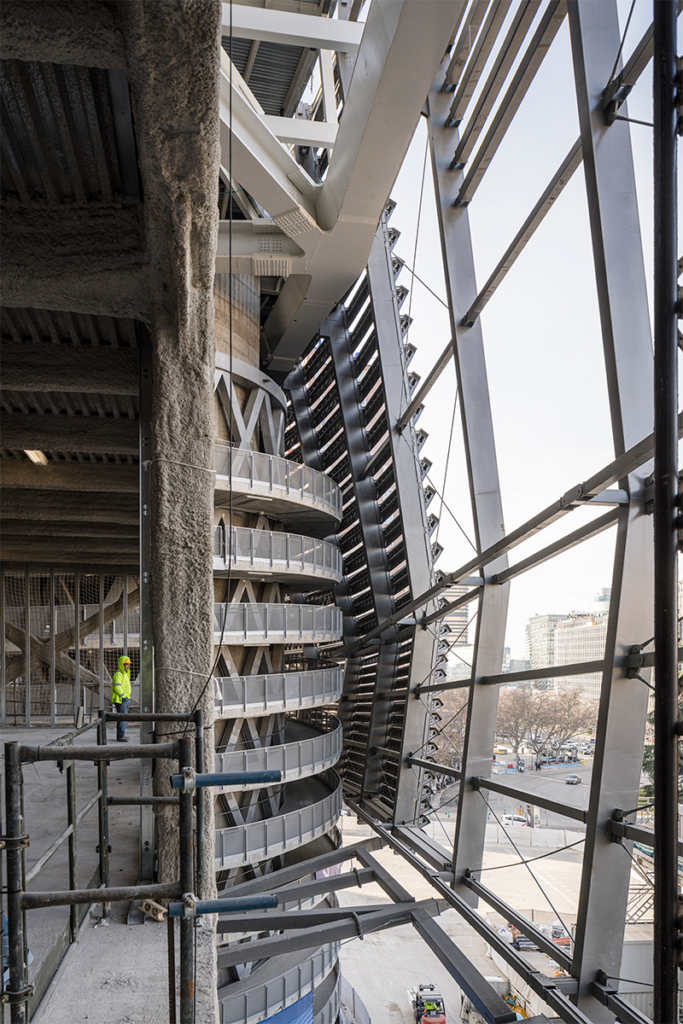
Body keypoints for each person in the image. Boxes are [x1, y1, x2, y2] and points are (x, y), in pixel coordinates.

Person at [111, 655, 131, 741]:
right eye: (126, 664)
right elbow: (116, 687)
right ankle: (120, 736)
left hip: (124, 698)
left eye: (129, 664)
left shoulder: (124, 673)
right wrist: (123, 696)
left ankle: (122, 734)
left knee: (123, 718)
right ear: (121, 664)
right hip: (121, 699)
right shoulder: (119, 674)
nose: (128, 665)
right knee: (122, 718)